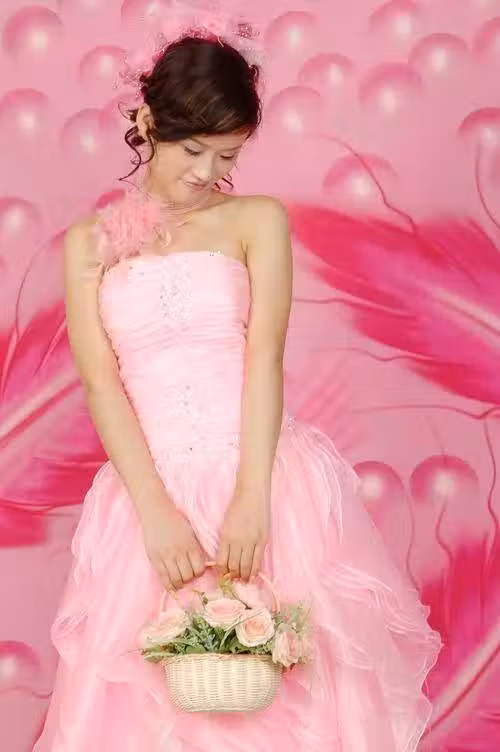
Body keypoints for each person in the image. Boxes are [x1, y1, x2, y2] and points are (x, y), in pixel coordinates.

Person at [34, 26, 441, 752]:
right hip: (148, 490)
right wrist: (155, 512)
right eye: (194, 150)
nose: (206, 172)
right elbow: (101, 383)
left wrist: (253, 496)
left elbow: (264, 354)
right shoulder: (89, 244)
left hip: (263, 474)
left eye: (227, 156)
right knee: (153, 711)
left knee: (291, 702)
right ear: (149, 123)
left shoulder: (256, 221)